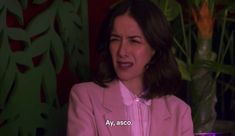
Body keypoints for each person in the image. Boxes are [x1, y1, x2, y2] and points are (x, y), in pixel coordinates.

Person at [67, 0, 194, 135]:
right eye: (115, 39)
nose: (122, 52)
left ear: (155, 47)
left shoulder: (179, 111)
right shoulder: (85, 97)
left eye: (134, 41)